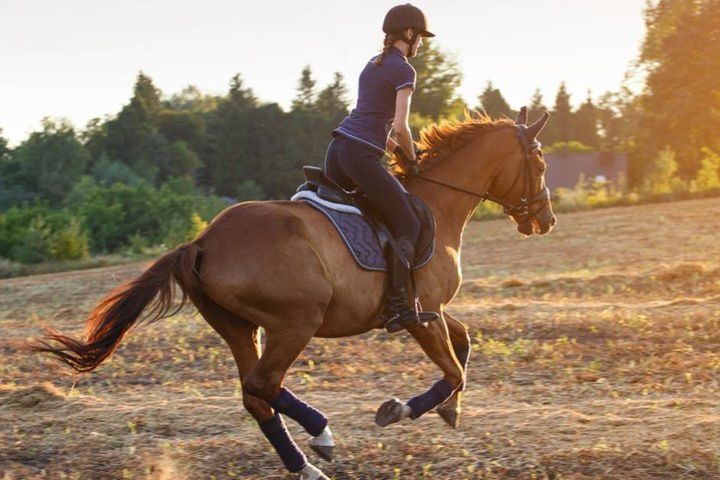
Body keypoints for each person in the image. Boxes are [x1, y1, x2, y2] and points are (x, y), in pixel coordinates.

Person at [323, 3, 439, 333]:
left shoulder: (372, 65)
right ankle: (398, 306)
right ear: (408, 34)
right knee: (407, 221)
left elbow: (375, 125)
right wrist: (413, 160)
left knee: (376, 212)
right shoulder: (404, 70)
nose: (421, 44)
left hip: (338, 151)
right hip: (360, 156)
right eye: (420, 37)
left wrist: (394, 151)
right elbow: (400, 126)